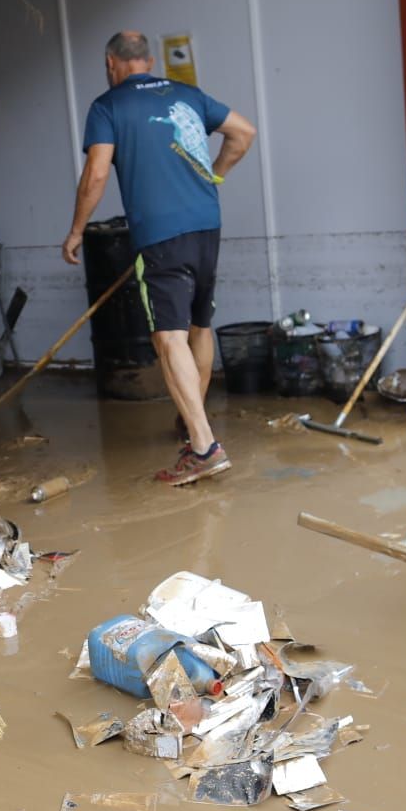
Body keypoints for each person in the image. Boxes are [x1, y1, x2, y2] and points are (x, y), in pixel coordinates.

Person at [60, 30, 257, 486]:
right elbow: (243, 133)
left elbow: (95, 174)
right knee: (198, 326)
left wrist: (75, 231)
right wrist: (216, 177)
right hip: (206, 222)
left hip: (160, 234)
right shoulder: (187, 94)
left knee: (168, 338)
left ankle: (204, 445)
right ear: (148, 60)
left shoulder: (107, 107)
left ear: (112, 63)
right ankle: (193, 424)